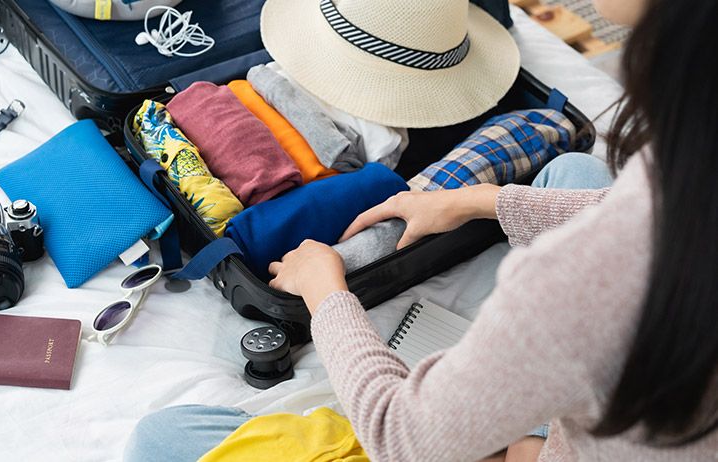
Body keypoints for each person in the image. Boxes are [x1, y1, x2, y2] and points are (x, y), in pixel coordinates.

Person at [265, 0, 718, 460]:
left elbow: (399, 436)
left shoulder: (575, 279)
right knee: (577, 169)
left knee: (190, 433)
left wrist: (324, 290)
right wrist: (477, 200)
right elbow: (641, 213)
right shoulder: (687, 174)